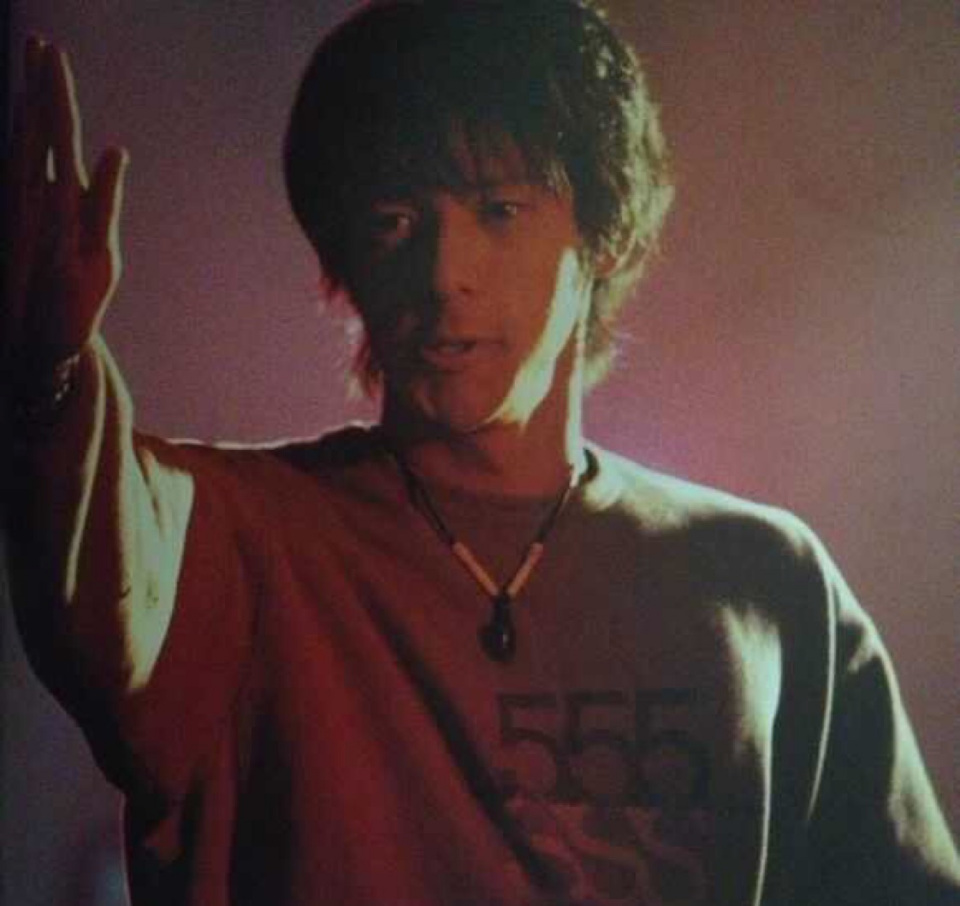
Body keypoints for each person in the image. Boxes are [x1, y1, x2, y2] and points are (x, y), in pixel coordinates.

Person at [3, 2, 958, 904]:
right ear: (344, 257)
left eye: (498, 210)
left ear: (604, 234)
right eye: (395, 220)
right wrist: (48, 368)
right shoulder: (236, 536)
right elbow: (98, 564)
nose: (442, 273)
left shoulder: (762, 578)